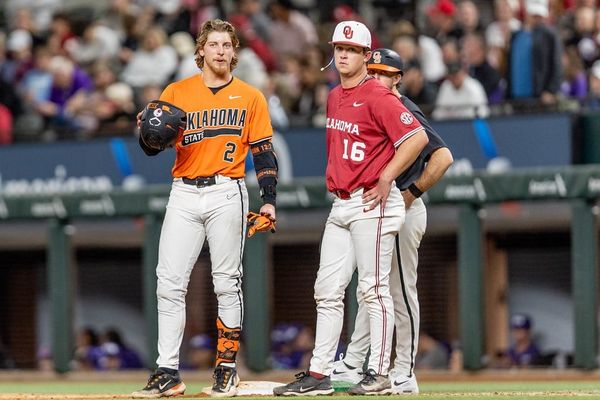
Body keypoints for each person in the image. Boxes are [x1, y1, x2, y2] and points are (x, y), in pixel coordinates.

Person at [274, 21, 428, 396]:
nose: (343, 54)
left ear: (364, 54)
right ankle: (320, 373)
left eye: (351, 49)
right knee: (327, 290)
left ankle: (379, 372)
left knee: (374, 290)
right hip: (341, 202)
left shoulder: (378, 94)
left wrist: (387, 176)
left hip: (371, 201)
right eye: (339, 48)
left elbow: (417, 138)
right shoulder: (333, 96)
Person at [132, 18, 278, 398]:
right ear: (201, 51)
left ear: (234, 52)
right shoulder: (177, 92)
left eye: (227, 45)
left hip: (227, 190)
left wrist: (270, 200)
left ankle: (226, 368)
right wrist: (144, 134)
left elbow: (263, 153)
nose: (220, 51)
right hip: (183, 191)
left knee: (227, 282)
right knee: (169, 283)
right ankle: (167, 371)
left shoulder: (250, 96)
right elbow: (151, 148)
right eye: (213, 44)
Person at [329, 48, 453, 395]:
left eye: (384, 73)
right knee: (371, 289)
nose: (377, 76)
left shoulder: (404, 107)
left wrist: (411, 192)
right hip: (376, 208)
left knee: (398, 292)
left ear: (397, 78)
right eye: (374, 70)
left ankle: (404, 371)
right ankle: (355, 362)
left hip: (402, 206)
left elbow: (443, 156)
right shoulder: (371, 102)